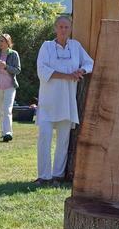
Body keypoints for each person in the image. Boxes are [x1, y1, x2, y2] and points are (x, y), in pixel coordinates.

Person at [35, 15, 93, 184]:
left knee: (63, 140)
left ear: (70, 29)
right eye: (60, 26)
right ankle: (43, 176)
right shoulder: (46, 47)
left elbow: (90, 63)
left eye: (66, 27)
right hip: (48, 101)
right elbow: (42, 70)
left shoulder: (76, 47)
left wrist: (81, 71)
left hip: (67, 103)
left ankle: (57, 175)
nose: (63, 30)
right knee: (44, 138)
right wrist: (67, 76)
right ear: (55, 28)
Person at [0, 33, 21, 142]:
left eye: (2, 41)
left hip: (10, 86)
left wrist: (6, 66)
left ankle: (8, 132)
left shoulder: (14, 54)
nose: (0, 43)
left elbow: (17, 70)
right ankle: (3, 132)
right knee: (1, 111)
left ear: (8, 42)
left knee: (7, 109)